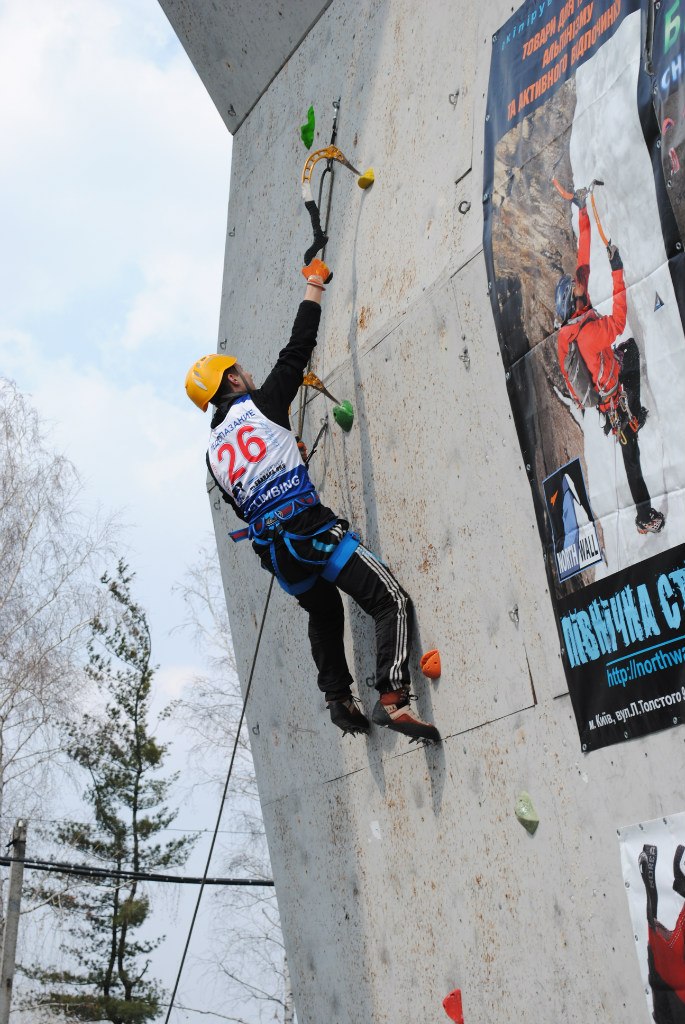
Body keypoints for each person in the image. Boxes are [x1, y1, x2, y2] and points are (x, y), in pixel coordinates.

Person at [185, 258, 440, 744]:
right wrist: (315, 284)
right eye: (240, 369)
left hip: (276, 551)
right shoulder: (264, 402)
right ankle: (392, 698)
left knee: (322, 610)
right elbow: (299, 345)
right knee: (390, 602)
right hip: (309, 530)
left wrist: (285, 460)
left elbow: (246, 502)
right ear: (233, 381)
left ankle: (338, 699)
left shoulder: (212, 452)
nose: (248, 371)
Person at [555, 187, 665, 535]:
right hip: (612, 395)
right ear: (573, 304)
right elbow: (616, 322)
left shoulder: (577, 314)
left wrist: (582, 212)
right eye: (574, 288)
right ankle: (644, 517)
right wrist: (617, 271)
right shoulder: (586, 334)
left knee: (630, 354)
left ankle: (634, 416)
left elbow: (583, 259)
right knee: (630, 454)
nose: (578, 284)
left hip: (609, 386)